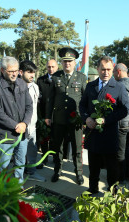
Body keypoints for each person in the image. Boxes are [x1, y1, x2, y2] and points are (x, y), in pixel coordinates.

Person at [79, 56, 129, 194]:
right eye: (103, 69)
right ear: (98, 69)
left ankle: (112, 191)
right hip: (93, 133)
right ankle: (93, 188)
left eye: (108, 69)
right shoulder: (90, 86)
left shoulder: (119, 87)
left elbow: (125, 109)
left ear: (113, 69)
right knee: (93, 165)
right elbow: (82, 105)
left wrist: (107, 120)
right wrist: (86, 118)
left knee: (112, 167)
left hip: (110, 134)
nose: (106, 72)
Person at [0, 56, 33, 182]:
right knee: (3, 165)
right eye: (11, 71)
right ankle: (1, 190)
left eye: (16, 70)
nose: (14, 74)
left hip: (22, 134)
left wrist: (24, 123)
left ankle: (17, 188)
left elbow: (29, 106)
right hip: (6, 135)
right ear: (2, 70)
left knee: (20, 163)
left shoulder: (21, 84)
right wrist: (15, 125)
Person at [46, 48, 87, 185]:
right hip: (59, 119)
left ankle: (79, 173)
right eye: (64, 61)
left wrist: (84, 117)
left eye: (69, 61)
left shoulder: (81, 77)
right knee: (58, 147)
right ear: (61, 63)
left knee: (77, 148)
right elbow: (50, 98)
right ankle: (57, 171)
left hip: (76, 119)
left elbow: (85, 99)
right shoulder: (56, 76)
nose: (67, 64)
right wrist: (48, 116)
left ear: (74, 62)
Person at [20, 60, 46, 182]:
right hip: (21, 127)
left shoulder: (35, 87)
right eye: (29, 72)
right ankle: (18, 179)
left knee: (32, 151)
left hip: (32, 126)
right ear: (21, 72)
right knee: (19, 154)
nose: (32, 75)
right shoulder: (16, 87)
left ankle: (31, 172)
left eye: (33, 72)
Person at [36, 59, 58, 168]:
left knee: (55, 138)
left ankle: (55, 158)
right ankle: (44, 159)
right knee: (44, 138)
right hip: (44, 114)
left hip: (57, 115)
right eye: (49, 67)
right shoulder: (40, 80)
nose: (51, 69)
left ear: (57, 67)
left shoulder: (61, 79)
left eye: (53, 66)